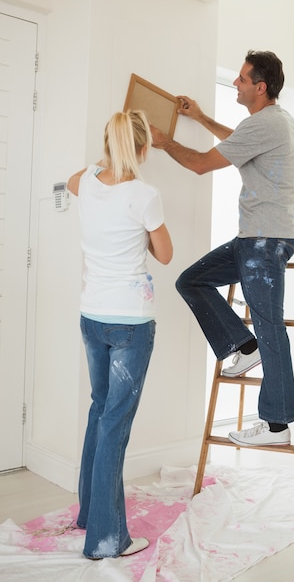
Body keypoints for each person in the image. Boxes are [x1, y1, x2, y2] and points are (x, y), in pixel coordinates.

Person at [151, 50, 294, 447]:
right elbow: (236, 142)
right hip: (254, 238)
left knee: (270, 327)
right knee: (192, 281)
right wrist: (199, 117)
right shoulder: (270, 123)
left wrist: (165, 142)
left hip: (263, 242)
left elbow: (201, 164)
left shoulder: (267, 122)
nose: (236, 83)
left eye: (241, 78)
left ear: (260, 87)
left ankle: (276, 427)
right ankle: (242, 344)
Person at [67, 110, 173, 559]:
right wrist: (141, 233)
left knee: (99, 409)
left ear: (108, 144)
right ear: (145, 148)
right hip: (130, 322)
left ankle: (90, 514)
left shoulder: (86, 181)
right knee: (114, 423)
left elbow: (78, 179)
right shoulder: (145, 196)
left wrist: (103, 165)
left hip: (91, 315)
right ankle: (108, 539)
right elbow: (165, 254)